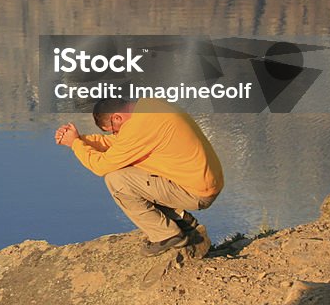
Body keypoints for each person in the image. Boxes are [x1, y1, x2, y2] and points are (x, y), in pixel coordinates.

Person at [55, 96, 224, 256]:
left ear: (117, 118)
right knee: (130, 173)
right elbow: (119, 143)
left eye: (113, 130)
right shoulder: (149, 106)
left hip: (196, 192)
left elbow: (100, 166)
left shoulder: (140, 126)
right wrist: (80, 139)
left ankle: (166, 235)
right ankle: (181, 220)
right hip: (200, 181)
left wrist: (75, 144)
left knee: (117, 180)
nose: (114, 134)